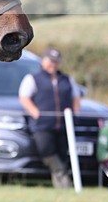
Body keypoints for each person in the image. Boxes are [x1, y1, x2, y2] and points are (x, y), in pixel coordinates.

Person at [18, 46, 82, 188]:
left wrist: (75, 113)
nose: (53, 64)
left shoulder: (66, 79)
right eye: (50, 61)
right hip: (42, 126)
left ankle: (60, 186)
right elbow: (24, 97)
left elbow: (76, 98)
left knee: (62, 155)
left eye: (55, 61)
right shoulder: (33, 79)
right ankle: (65, 183)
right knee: (48, 153)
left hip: (64, 126)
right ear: (43, 61)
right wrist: (36, 113)